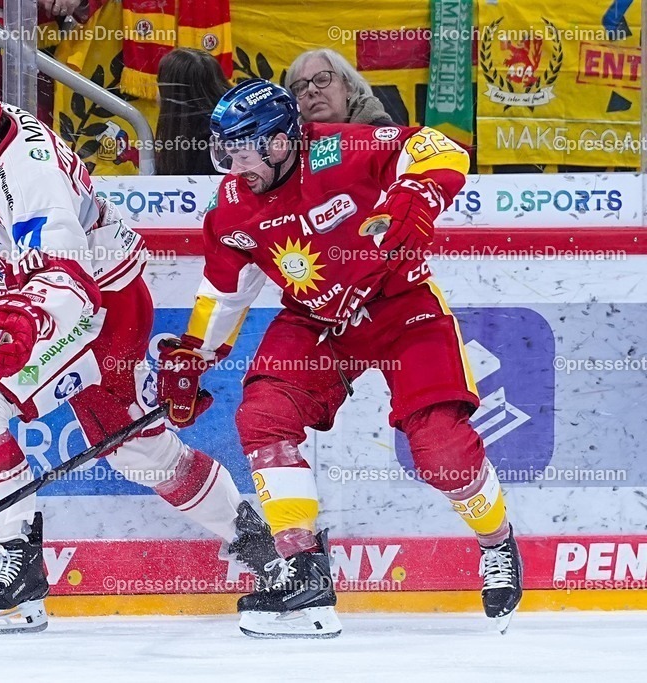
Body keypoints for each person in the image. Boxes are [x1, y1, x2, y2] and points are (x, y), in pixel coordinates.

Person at [0, 65, 284, 635]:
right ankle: (264, 547)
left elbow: (65, 280)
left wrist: (24, 318)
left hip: (90, 305)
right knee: (136, 451)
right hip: (91, 292)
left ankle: (19, 571)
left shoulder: (31, 176)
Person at [156, 79, 523, 638]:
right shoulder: (230, 206)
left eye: (244, 149)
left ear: (281, 142)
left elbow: (439, 148)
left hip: (401, 303)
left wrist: (418, 192)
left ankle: (497, 542)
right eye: (225, 150)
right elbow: (224, 291)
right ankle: (302, 570)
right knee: (264, 414)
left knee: (441, 448)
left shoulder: (337, 149)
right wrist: (194, 354)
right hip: (318, 321)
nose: (234, 165)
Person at [155, 48, 229, 175]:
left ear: (173, 95)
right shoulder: (223, 125)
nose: (156, 94)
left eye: (159, 85)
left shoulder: (209, 145)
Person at [285, 48, 394, 126]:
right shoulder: (288, 146)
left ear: (348, 88)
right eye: (301, 87)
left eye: (322, 79)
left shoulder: (387, 138)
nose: (311, 89)